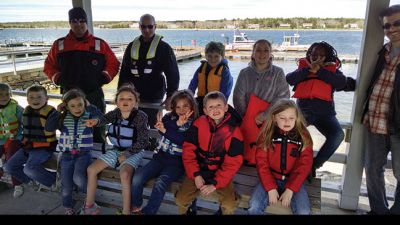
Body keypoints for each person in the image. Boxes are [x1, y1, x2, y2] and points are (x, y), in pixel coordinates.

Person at [43, 7, 120, 145]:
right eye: (74, 21)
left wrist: (103, 77)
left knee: (97, 128)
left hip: (94, 95)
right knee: (71, 129)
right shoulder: (59, 45)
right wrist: (58, 78)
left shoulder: (99, 44)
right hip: (69, 96)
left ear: (86, 21)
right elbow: (48, 66)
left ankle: (99, 159)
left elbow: (113, 64)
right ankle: (74, 155)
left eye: (81, 20)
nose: (78, 24)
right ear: (70, 23)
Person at [286, 41, 355, 179]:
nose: (317, 58)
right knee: (290, 135)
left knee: (338, 135)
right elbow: (290, 79)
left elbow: (341, 82)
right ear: (309, 55)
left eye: (322, 55)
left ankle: (314, 165)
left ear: (327, 57)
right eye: (314, 54)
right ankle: (291, 167)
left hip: (325, 114)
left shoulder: (333, 71)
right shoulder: (303, 68)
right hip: (303, 112)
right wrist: (308, 70)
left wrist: (320, 71)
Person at [80, 85, 149, 215]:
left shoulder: (141, 116)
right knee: (91, 169)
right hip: (116, 149)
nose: (125, 101)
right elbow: (104, 119)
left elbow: (144, 141)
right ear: (116, 102)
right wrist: (95, 121)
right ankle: (90, 206)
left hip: (134, 151)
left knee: (125, 174)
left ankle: (126, 211)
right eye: (121, 98)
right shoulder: (116, 113)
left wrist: (127, 154)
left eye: (130, 99)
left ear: (135, 102)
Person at [175, 91, 243, 215]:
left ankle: (224, 210)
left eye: (219, 105)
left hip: (220, 173)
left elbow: (233, 162)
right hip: (198, 170)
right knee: (181, 199)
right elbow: (188, 151)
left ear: (226, 107)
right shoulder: (199, 123)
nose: (215, 109)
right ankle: (190, 209)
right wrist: (195, 174)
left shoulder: (234, 131)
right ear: (205, 110)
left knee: (229, 204)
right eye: (211, 107)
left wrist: (215, 184)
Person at [131, 90, 198, 215]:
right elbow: (163, 128)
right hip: (160, 158)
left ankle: (148, 212)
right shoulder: (168, 117)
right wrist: (176, 124)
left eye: (185, 106)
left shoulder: (195, 124)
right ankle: (136, 206)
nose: (181, 109)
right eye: (178, 106)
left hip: (177, 163)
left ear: (192, 107)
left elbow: (183, 141)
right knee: (137, 178)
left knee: (160, 182)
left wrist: (167, 130)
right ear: (173, 107)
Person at [362, 4, 400, 215]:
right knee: (372, 169)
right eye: (387, 26)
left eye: (397, 23)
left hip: (398, 126)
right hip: (375, 121)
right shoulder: (383, 52)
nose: (391, 29)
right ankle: (378, 211)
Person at [247, 99, 313, 215]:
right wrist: (270, 188)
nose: (287, 121)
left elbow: (304, 166)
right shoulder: (266, 135)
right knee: (254, 205)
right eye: (282, 118)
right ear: (274, 118)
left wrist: (291, 189)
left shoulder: (303, 136)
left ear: (297, 117)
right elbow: (262, 163)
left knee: (304, 211)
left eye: (291, 118)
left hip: (294, 181)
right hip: (270, 177)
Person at [45, 89, 103, 215]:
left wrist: (90, 107)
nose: (77, 108)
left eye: (80, 105)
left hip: (83, 155)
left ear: (84, 104)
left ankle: (90, 200)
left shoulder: (89, 117)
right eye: (72, 106)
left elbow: (102, 118)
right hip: (66, 156)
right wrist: (57, 111)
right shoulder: (62, 117)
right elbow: (49, 127)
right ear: (67, 107)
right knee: (66, 184)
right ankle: (68, 207)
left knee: (78, 178)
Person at [233, 39, 290, 166]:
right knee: (248, 153)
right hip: (248, 120)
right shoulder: (244, 73)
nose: (262, 53)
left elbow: (284, 97)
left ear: (270, 53)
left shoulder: (278, 72)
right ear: (253, 53)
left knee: (266, 156)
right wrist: (248, 117)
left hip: (271, 120)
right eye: (258, 50)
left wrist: (266, 115)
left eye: (266, 50)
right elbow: (238, 97)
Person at [118, 14, 180, 128]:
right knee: (132, 128)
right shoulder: (132, 46)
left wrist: (171, 96)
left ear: (155, 26)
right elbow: (124, 72)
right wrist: (120, 94)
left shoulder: (164, 48)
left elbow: (173, 74)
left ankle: (151, 145)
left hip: (154, 97)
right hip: (133, 97)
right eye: (143, 26)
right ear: (139, 27)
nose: (146, 29)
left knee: (152, 128)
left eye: (150, 26)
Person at [4, 85, 58, 194]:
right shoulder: (26, 110)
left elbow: (50, 128)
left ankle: (54, 182)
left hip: (44, 148)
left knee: (29, 168)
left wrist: (59, 113)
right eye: (32, 98)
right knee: (8, 167)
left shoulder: (51, 112)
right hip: (27, 146)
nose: (35, 100)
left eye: (39, 97)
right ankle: (30, 181)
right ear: (27, 100)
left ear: (46, 99)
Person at [188, 41, 233, 115]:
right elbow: (193, 84)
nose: (213, 59)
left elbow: (226, 91)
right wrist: (188, 97)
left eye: (216, 56)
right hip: (201, 101)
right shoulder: (201, 68)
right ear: (205, 56)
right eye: (209, 56)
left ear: (222, 56)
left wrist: (221, 105)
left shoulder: (224, 71)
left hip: (215, 103)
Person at [0, 83, 24, 198]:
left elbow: (26, 121)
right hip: (0, 140)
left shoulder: (16, 108)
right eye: (1, 95)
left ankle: (18, 184)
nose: (4, 97)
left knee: (11, 159)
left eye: (7, 94)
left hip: (14, 139)